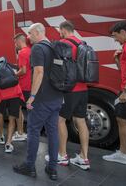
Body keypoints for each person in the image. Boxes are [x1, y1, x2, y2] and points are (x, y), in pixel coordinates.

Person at [13, 23, 63, 180]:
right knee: (53, 133)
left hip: (41, 99)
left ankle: (29, 166)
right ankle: (53, 168)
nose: (28, 36)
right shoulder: (54, 47)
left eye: (29, 33)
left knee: (33, 131)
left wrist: (32, 96)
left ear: (37, 32)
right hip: (56, 97)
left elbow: (39, 72)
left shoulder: (37, 49)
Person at [42, 21, 90, 170]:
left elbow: (54, 67)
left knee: (59, 121)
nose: (59, 33)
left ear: (62, 30)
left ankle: (62, 156)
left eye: (59, 31)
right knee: (81, 121)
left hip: (69, 90)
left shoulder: (62, 43)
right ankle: (84, 158)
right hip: (83, 89)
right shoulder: (82, 42)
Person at [102, 21, 126, 165]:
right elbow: (125, 69)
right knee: (122, 118)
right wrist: (117, 60)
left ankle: (123, 154)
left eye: (115, 36)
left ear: (123, 32)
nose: (115, 39)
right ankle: (123, 153)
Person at [0, 69, 24, 153]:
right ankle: (8, 143)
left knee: (0, 114)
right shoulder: (10, 69)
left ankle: (1, 136)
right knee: (12, 119)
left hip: (1, 96)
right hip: (15, 93)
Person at [13, 33, 30, 142]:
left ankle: (20, 133)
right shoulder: (30, 50)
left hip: (23, 86)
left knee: (17, 110)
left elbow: (23, 70)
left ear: (19, 41)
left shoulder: (23, 53)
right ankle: (21, 131)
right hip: (30, 85)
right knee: (24, 110)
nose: (15, 45)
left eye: (15, 42)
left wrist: (14, 74)